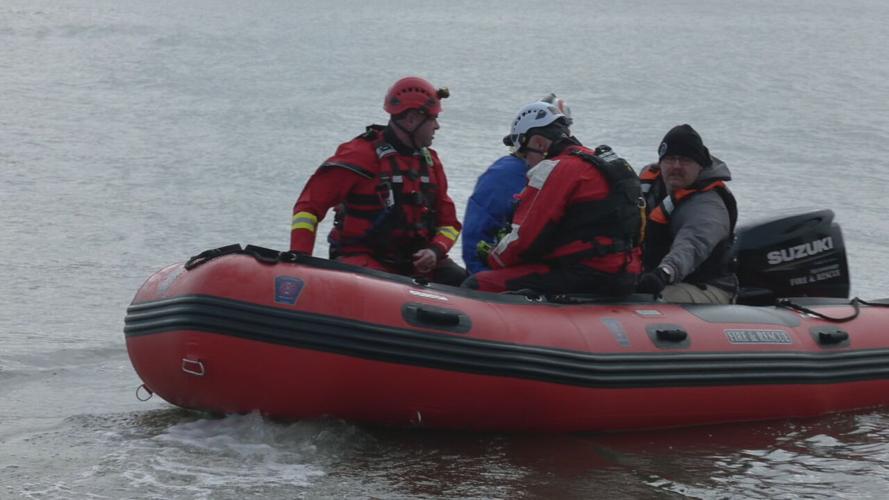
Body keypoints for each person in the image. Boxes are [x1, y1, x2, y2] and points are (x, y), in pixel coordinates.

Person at [290, 76, 466, 286]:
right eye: (432, 119)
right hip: (364, 261)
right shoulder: (358, 156)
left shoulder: (430, 162)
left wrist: (435, 250)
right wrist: (299, 261)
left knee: (468, 284)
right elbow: (308, 208)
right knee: (387, 289)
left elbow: (449, 223)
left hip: (415, 263)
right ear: (411, 119)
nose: (437, 126)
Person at [461, 101, 643, 295]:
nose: (526, 163)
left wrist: (492, 256)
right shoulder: (597, 161)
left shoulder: (555, 168)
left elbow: (525, 240)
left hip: (587, 273)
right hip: (626, 273)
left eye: (524, 154)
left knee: (478, 284)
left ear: (538, 143)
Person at [461, 94, 572, 274]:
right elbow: (476, 235)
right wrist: (482, 280)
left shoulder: (559, 173)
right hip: (501, 274)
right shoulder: (504, 175)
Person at [636, 124, 738, 304]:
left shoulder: (708, 205)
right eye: (670, 159)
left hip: (706, 286)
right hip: (652, 277)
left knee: (641, 301)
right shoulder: (650, 188)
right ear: (661, 162)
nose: (676, 166)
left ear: (700, 166)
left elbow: (693, 244)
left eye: (685, 160)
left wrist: (664, 272)